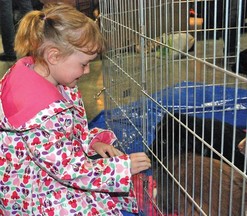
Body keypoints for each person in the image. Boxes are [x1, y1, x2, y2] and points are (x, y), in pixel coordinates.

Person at [0, 3, 151, 216]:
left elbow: (64, 137)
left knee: (105, 189)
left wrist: (91, 142)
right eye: (84, 64)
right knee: (95, 205)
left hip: (51, 168)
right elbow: (68, 170)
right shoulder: (42, 112)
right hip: (32, 192)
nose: (88, 71)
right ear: (54, 56)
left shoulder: (49, 75)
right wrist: (121, 168)